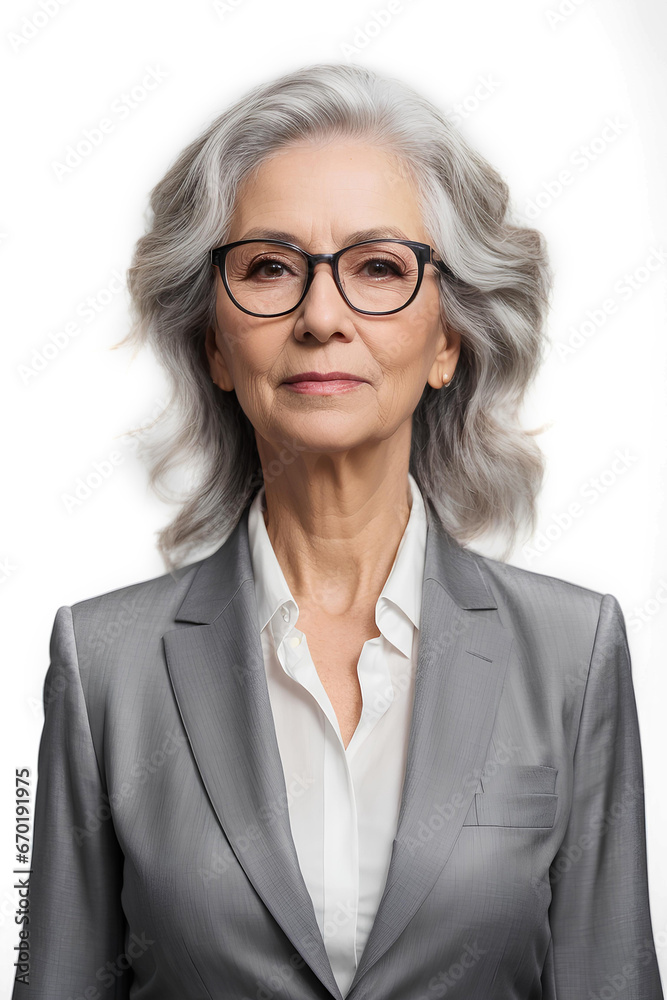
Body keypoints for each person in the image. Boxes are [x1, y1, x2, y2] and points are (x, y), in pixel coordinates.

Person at [13, 63, 664, 1000]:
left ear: (448, 340)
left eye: (378, 268)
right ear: (213, 345)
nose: (322, 317)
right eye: (271, 267)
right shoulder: (106, 662)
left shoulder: (572, 653)